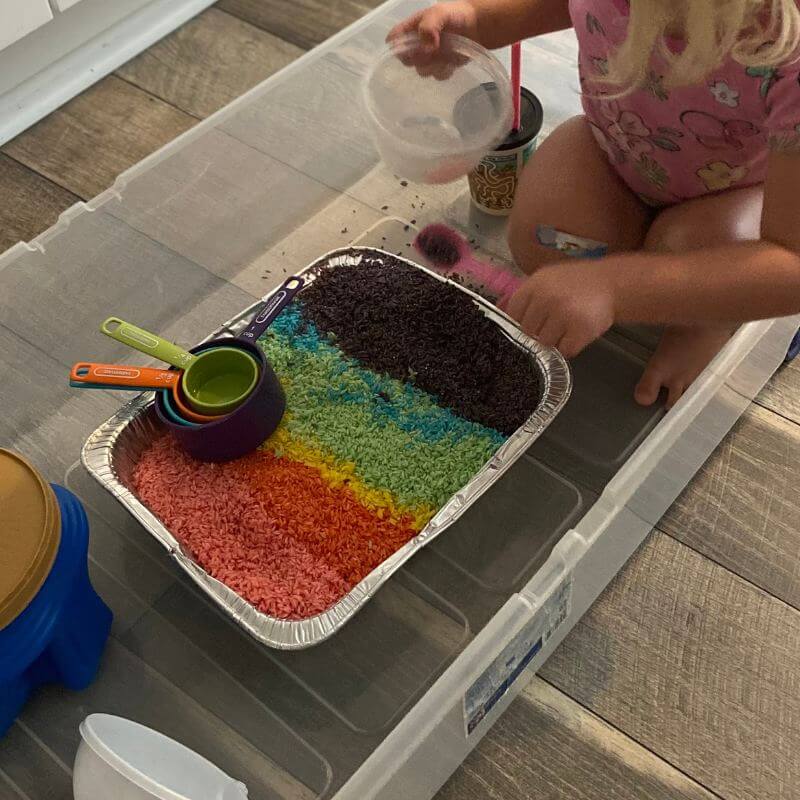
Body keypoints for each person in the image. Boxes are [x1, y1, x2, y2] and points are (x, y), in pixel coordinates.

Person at [389, 0, 800, 407]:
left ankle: (705, 323)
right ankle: (647, 266)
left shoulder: (789, 43)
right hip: (613, 152)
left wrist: (614, 289)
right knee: (542, 243)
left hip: (729, 196)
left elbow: (791, 266)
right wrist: (480, 20)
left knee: (690, 250)